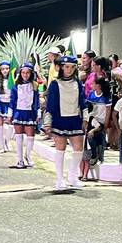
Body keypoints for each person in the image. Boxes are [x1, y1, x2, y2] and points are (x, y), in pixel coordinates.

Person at [43, 55, 89, 191]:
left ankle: (73, 177)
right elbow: (50, 105)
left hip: (75, 120)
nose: (69, 69)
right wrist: (47, 123)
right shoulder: (55, 84)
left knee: (78, 150)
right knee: (60, 150)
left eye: (72, 67)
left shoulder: (78, 83)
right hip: (59, 119)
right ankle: (59, 179)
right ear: (62, 67)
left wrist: (85, 118)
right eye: (67, 66)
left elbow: (83, 102)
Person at [8, 62, 39, 169]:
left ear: (31, 74)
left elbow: (36, 100)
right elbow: (12, 101)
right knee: (19, 137)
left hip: (30, 113)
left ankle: (28, 156)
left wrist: (38, 112)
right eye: (23, 73)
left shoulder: (34, 86)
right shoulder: (16, 87)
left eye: (27, 73)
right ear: (20, 73)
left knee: (30, 135)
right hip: (18, 113)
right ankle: (19, 159)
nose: (25, 75)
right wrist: (10, 114)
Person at [86, 75, 112, 177]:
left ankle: (99, 157)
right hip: (92, 120)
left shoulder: (106, 96)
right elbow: (88, 109)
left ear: (98, 85)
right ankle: (94, 154)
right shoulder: (91, 95)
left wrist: (106, 123)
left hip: (102, 121)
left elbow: (108, 111)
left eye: (93, 83)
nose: (91, 85)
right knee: (91, 137)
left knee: (100, 139)